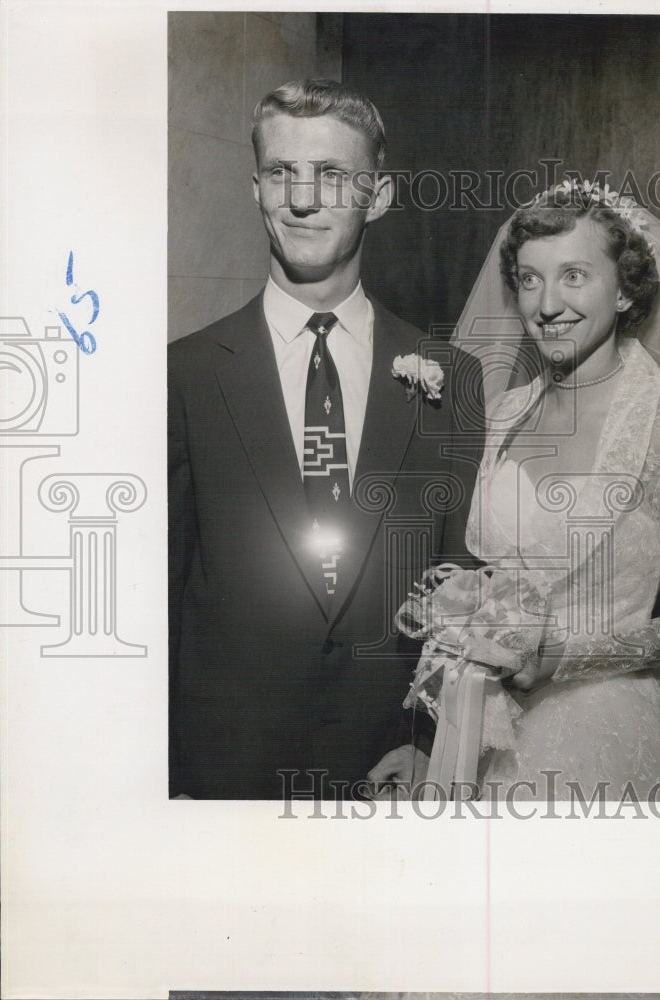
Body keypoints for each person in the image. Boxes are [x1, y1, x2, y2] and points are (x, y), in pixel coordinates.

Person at [399, 178, 660, 801]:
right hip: (480, 729)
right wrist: (460, 602)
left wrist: (567, 656)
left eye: (574, 276)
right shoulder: (499, 416)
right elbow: (497, 569)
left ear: (625, 289)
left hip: (613, 739)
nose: (547, 304)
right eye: (529, 279)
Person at [168, 79, 483, 800]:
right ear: (257, 190)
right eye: (282, 172)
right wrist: (163, 778)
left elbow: (460, 580)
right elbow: (157, 593)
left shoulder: (451, 377)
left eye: (333, 175)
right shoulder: (183, 375)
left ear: (379, 196)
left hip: (387, 765)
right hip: (223, 772)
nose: (302, 200)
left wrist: (428, 739)